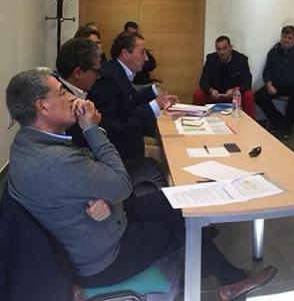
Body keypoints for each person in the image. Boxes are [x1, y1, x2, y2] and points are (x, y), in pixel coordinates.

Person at [6, 68, 276, 300]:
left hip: (86, 230)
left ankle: (226, 275)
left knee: (169, 201)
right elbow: (121, 183)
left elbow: (84, 180)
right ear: (42, 107)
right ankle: (222, 278)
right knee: (180, 223)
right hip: (101, 260)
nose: (74, 97)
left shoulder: (25, 144)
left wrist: (105, 198)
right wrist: (90, 129)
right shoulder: (54, 162)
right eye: (62, 93)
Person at [56, 37, 166, 195]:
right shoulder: (70, 105)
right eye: (96, 72)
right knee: (152, 168)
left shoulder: (81, 94)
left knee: (151, 165)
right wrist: (97, 127)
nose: (99, 76)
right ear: (78, 73)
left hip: (100, 161)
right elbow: (105, 131)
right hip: (95, 171)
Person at [88, 32, 177, 162]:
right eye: (142, 53)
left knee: (169, 149)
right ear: (125, 54)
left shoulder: (117, 71)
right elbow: (112, 125)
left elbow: (131, 100)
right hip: (121, 155)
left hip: (130, 144)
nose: (146, 59)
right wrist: (155, 107)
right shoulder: (108, 78)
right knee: (170, 158)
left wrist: (155, 92)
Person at [194, 35, 256, 117]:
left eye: (224, 48)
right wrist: (211, 90)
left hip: (234, 96)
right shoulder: (211, 59)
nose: (222, 52)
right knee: (198, 94)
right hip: (215, 96)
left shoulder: (241, 59)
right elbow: (203, 82)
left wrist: (235, 90)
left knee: (249, 95)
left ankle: (250, 124)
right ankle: (197, 119)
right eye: (218, 49)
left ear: (230, 48)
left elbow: (247, 82)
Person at [122, 22, 157, 86]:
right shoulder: (120, 47)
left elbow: (152, 65)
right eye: (130, 33)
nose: (132, 36)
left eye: (134, 34)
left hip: (143, 81)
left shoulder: (139, 45)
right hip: (127, 83)